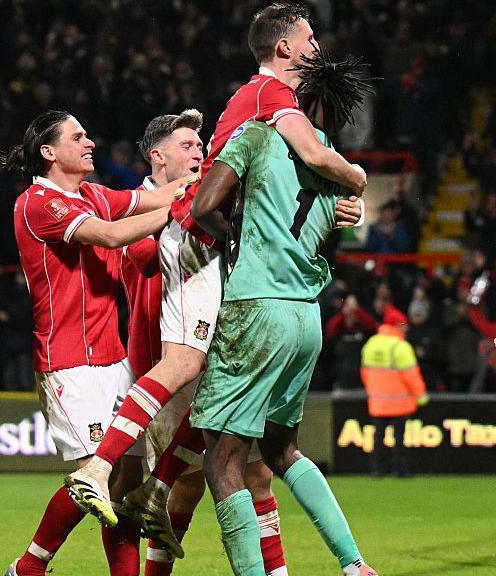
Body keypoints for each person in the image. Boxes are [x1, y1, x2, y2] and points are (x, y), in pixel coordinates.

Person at [66, 1, 366, 522]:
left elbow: (290, 185)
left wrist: (339, 207)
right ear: (284, 47)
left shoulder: (268, 105)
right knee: (186, 363)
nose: (317, 48)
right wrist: (359, 178)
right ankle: (98, 469)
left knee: (210, 389)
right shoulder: (271, 93)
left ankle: (155, 489)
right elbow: (318, 158)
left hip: (217, 244)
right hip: (193, 232)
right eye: (310, 38)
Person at [190, 49, 379, 576]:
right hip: (305, 317)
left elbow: (204, 206)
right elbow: (337, 219)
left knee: (222, 459)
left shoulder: (255, 136)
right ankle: (353, 562)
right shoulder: (335, 164)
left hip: (257, 307)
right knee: (281, 448)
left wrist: (235, 242)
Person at [3, 110, 192, 576]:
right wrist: (176, 208)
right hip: (68, 362)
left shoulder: (91, 194)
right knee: (96, 480)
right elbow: (109, 235)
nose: (90, 143)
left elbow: (153, 197)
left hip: (114, 360)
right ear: (49, 153)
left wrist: (206, 176)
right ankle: (29, 567)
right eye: (78, 137)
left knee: (125, 485)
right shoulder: (38, 203)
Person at [118, 111, 289, 576]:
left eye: (201, 145)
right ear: (158, 156)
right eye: (188, 146)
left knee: (257, 473)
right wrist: (177, 210)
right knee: (183, 487)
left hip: (221, 354)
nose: (199, 153)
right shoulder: (135, 204)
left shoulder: (208, 201)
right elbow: (141, 257)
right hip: (166, 365)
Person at [360, 304, 429, 477]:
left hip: (377, 401)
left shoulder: (372, 343)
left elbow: (364, 372)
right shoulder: (401, 347)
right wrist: (421, 396)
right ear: (397, 325)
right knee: (399, 439)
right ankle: (400, 471)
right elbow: (411, 375)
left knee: (378, 439)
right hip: (400, 402)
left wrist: (373, 391)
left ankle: (377, 470)